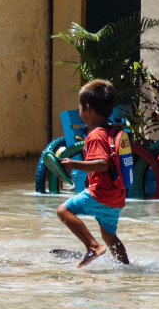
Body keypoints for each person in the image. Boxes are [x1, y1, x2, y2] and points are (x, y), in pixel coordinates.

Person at [56, 79, 130, 268]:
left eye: (80, 107)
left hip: (101, 192)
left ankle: (93, 246)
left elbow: (102, 164)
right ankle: (126, 268)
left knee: (63, 210)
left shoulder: (96, 135)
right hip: (116, 195)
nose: (80, 111)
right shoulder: (111, 130)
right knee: (109, 235)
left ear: (87, 109)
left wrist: (74, 164)